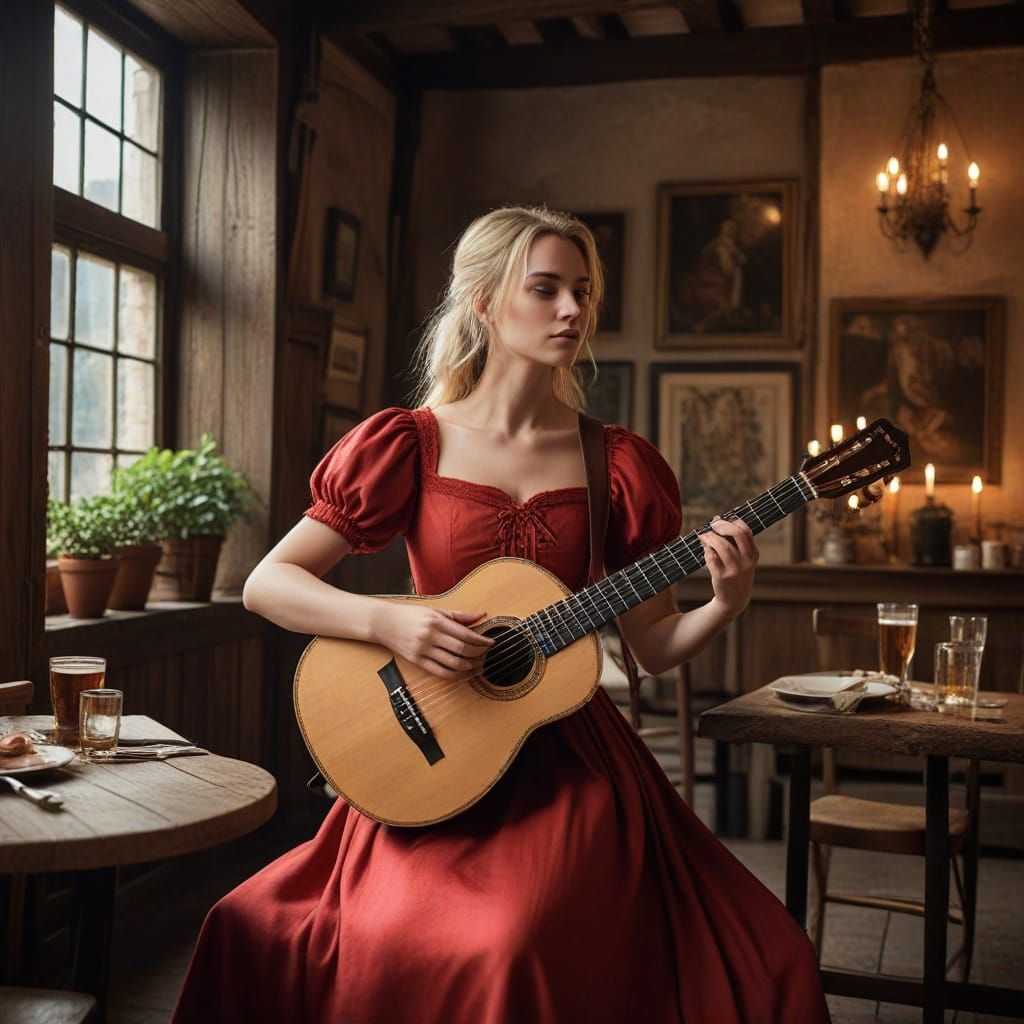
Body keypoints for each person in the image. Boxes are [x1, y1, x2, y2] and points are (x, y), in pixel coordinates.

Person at [172, 205, 835, 1023]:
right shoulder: (409, 443)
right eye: (547, 289)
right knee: (250, 924)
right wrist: (392, 623)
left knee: (538, 940)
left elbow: (654, 647)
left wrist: (726, 602)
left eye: (582, 293)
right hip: (431, 752)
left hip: (570, 767)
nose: (572, 311)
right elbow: (269, 585)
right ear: (484, 302)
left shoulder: (616, 463)